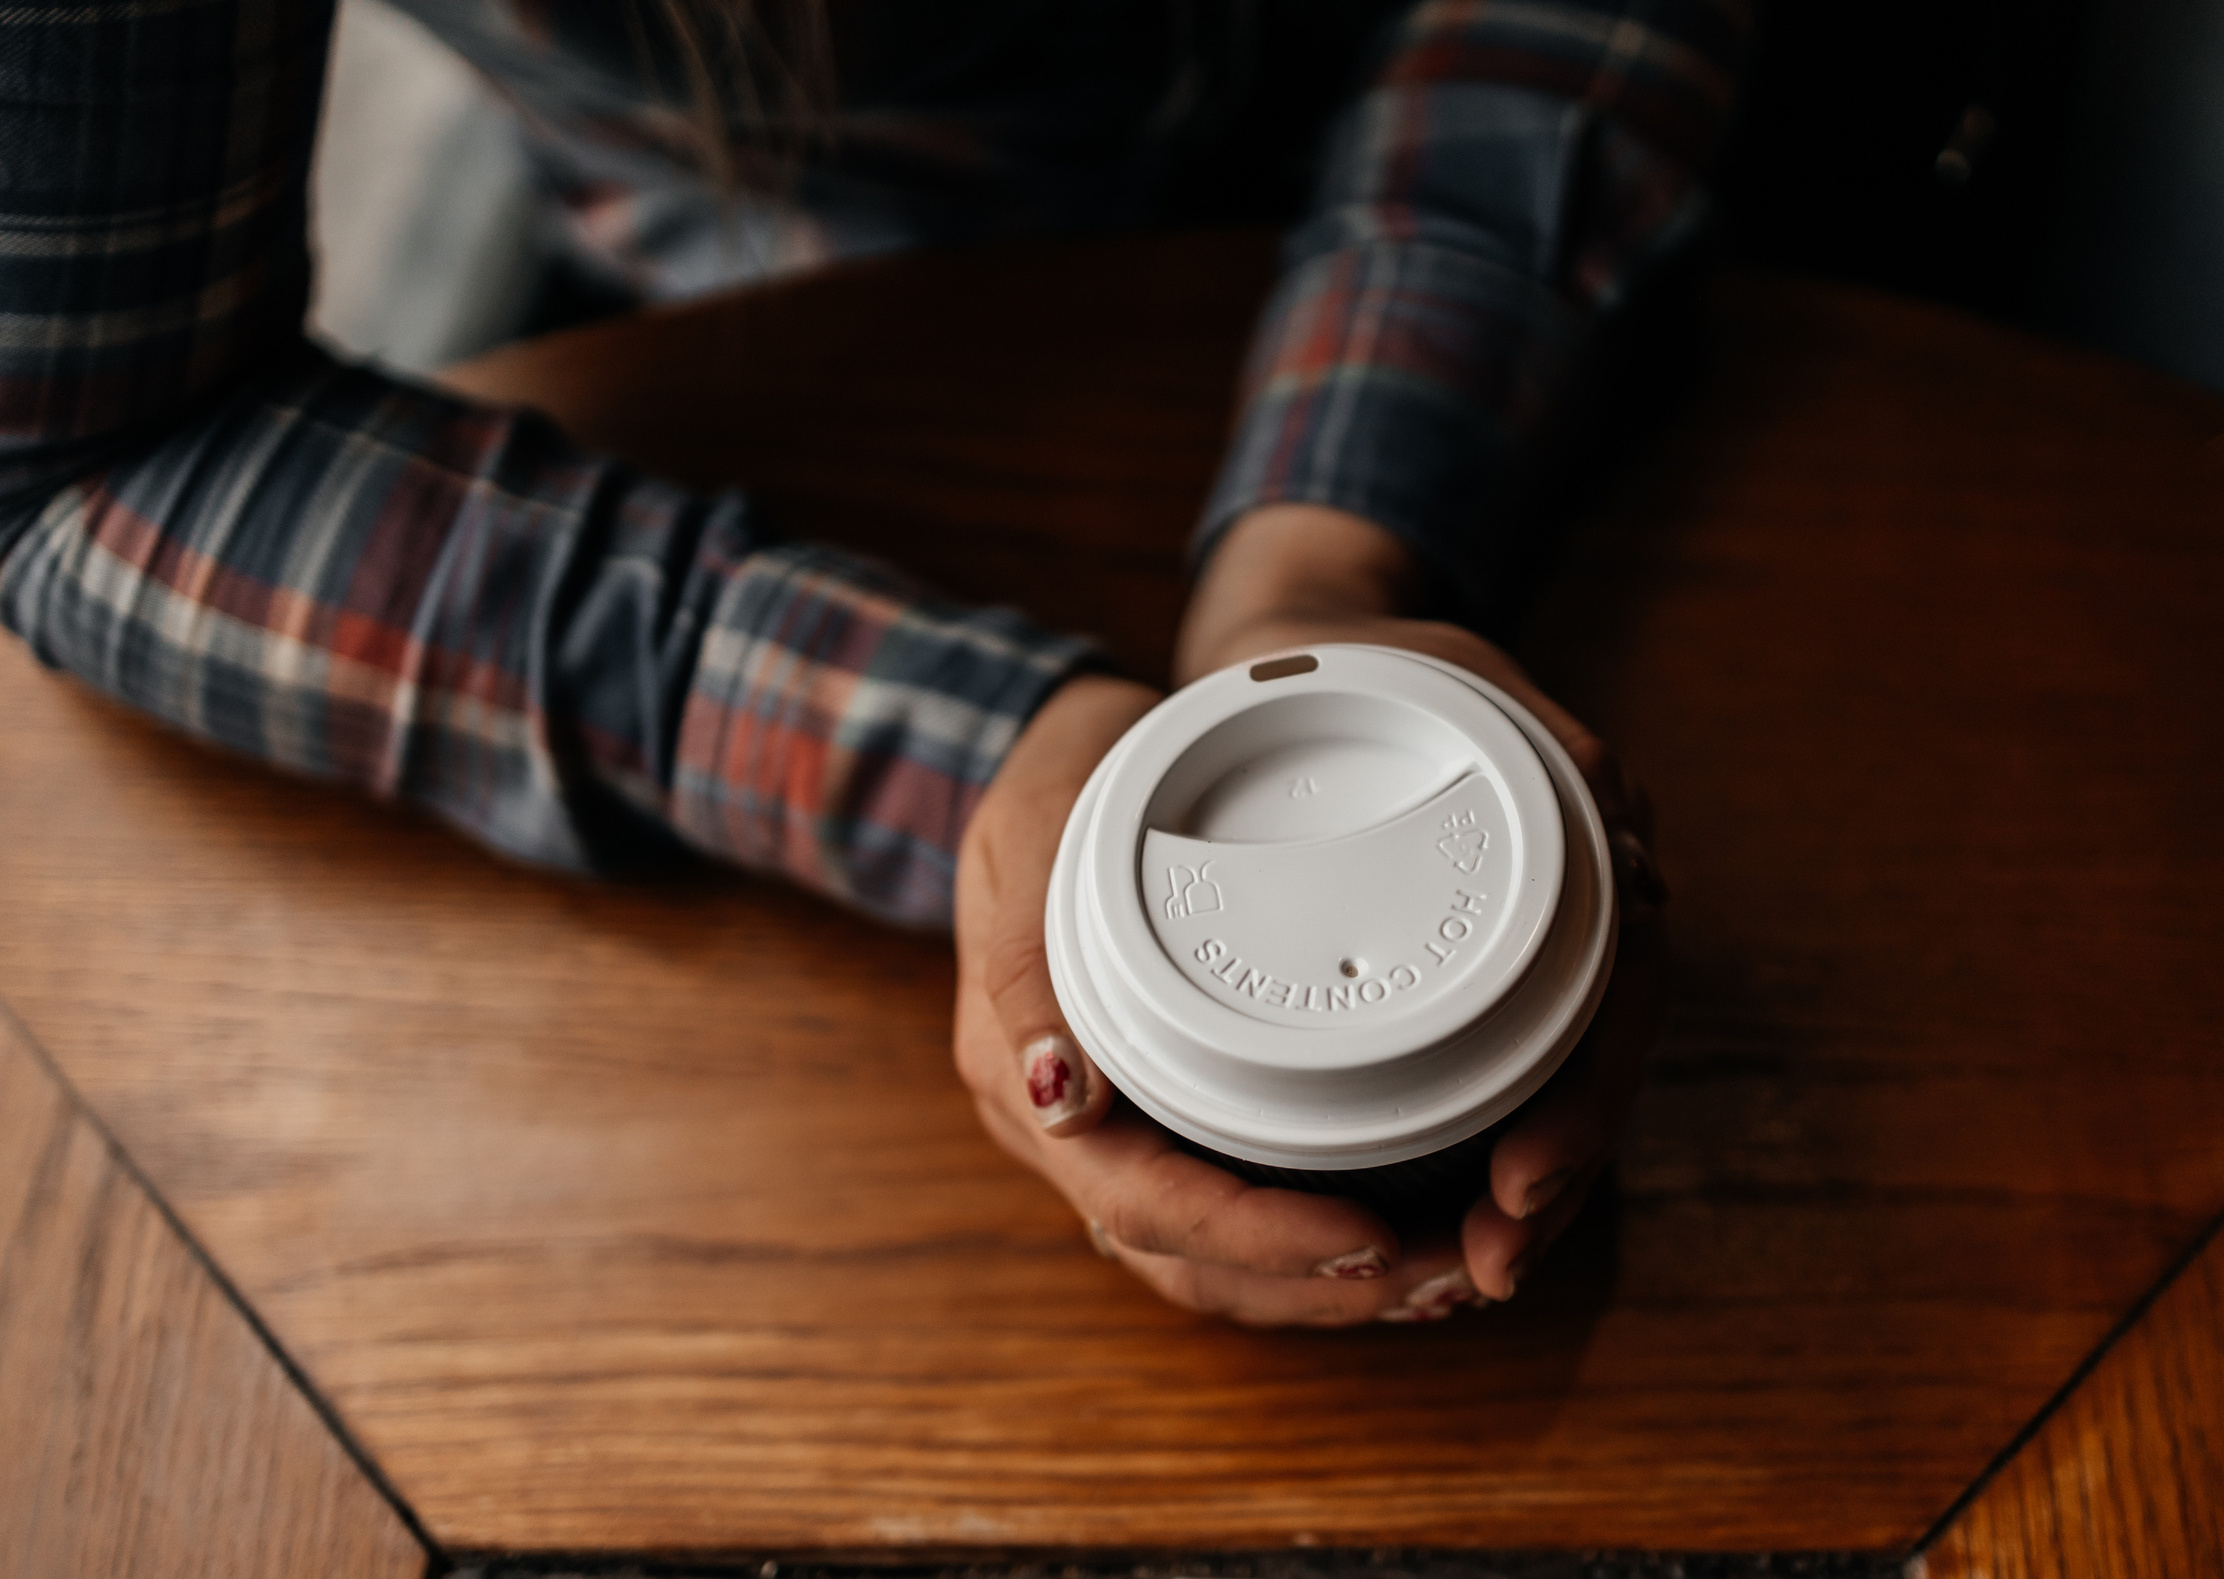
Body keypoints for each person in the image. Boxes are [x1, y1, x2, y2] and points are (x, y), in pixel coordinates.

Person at [0, 0, 1740, 1324]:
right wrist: (984, 749)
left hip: (1588, 200)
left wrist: (1322, 560)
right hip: (770, 294)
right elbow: (81, 459)